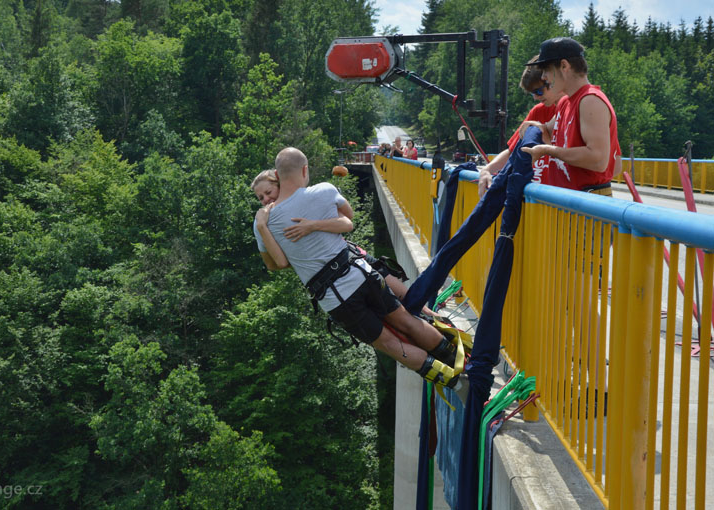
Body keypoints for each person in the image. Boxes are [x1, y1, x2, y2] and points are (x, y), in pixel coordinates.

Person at [253, 148, 462, 390]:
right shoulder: (325, 190)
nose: (266, 199)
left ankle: (454, 382)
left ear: (277, 176)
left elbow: (277, 264)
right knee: (407, 321)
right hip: (361, 271)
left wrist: (262, 227)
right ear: (304, 170)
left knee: (391, 345)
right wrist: (317, 226)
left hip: (336, 298)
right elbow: (348, 219)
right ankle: (458, 356)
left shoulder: (265, 222)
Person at [250, 169, 413, 303]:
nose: (265, 199)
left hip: (350, 255)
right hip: (334, 273)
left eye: (268, 192)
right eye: (260, 198)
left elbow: (347, 223)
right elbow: (273, 264)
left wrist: (313, 226)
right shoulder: (264, 223)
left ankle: (428, 314)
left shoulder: (307, 199)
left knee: (404, 297)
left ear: (281, 185)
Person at [520, 37, 621, 196]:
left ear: (564, 66)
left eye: (546, 70)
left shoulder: (590, 100)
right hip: (571, 201)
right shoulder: (565, 102)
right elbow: (547, 130)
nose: (544, 77)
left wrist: (548, 150)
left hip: (589, 202)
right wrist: (536, 127)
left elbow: (598, 160)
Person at [478, 54, 566, 197]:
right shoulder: (539, 111)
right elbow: (513, 150)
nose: (536, 98)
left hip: (564, 198)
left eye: (538, 91)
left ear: (551, 81)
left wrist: (545, 139)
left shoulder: (577, 109)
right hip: (541, 200)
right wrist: (487, 170)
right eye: (532, 94)